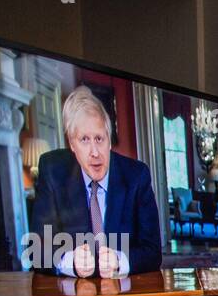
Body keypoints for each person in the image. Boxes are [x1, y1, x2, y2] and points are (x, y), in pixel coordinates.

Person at [30, 85, 162, 277]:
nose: (94, 152)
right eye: (84, 139)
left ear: (109, 139)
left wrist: (119, 260)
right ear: (72, 144)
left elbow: (153, 252)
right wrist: (70, 261)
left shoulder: (136, 176)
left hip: (124, 295)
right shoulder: (53, 171)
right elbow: (36, 251)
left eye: (99, 139)